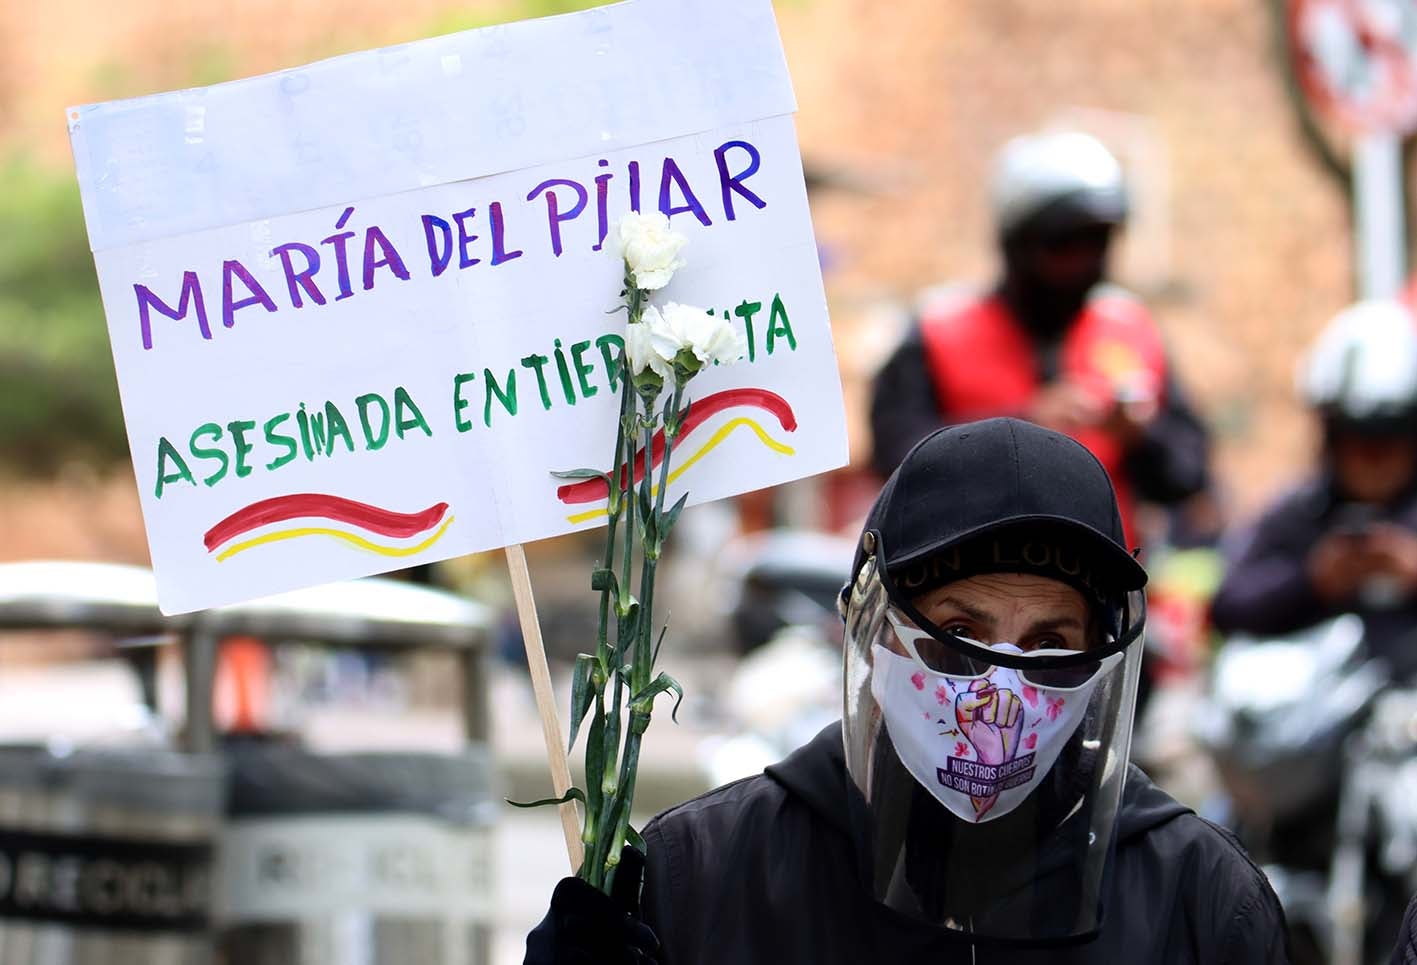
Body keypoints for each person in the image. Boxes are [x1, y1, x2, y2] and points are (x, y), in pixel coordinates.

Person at [526, 417, 1288, 964]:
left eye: (1050, 642)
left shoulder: (1198, 900)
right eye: (958, 627)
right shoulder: (710, 873)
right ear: (875, 633)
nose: (999, 687)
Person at [868, 130, 1210, 549]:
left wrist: (1139, 436)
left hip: (1101, 589)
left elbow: (1189, 472)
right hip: (964, 582)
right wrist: (1020, 428)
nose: (1081, 262)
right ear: (1019, 243)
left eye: (1096, 242)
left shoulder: (1133, 329)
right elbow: (894, 457)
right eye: (1063, 245)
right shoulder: (938, 331)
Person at [1211, 300, 1417, 679]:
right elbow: (1228, 606)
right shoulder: (1301, 513)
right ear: (1332, 437)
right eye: (1358, 438)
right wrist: (1312, 582)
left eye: (1389, 438)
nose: (1373, 458)